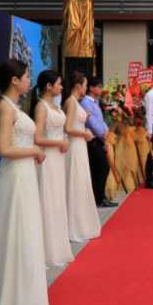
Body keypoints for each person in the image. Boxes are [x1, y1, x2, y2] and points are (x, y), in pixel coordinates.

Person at [0, 59, 49, 305]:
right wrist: (34, 150)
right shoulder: (5, 109)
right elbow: (4, 149)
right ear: (14, 80)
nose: (29, 80)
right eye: (27, 76)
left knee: (25, 233)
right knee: (16, 233)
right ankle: (12, 301)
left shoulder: (13, 107)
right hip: (14, 177)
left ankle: (23, 297)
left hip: (23, 175)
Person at [31, 70, 73, 268]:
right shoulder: (41, 107)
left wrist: (62, 140)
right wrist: (59, 142)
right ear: (48, 86)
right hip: (48, 158)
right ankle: (47, 250)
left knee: (57, 200)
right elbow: (37, 138)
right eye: (58, 84)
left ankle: (58, 247)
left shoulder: (55, 106)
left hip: (58, 157)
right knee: (47, 201)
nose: (61, 87)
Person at [64, 71, 102, 242]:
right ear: (78, 86)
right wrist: (84, 133)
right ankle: (74, 225)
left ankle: (81, 222)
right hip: (75, 145)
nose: (86, 88)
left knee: (81, 182)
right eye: (85, 85)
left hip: (79, 145)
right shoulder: (71, 102)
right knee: (76, 182)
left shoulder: (75, 102)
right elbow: (67, 128)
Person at [81, 77, 116, 208]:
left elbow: (100, 121)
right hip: (94, 139)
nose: (101, 89)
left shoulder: (95, 102)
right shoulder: (86, 102)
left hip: (100, 138)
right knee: (101, 168)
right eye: (99, 87)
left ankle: (100, 197)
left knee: (101, 168)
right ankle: (99, 198)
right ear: (91, 88)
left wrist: (106, 132)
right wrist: (103, 134)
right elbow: (91, 122)